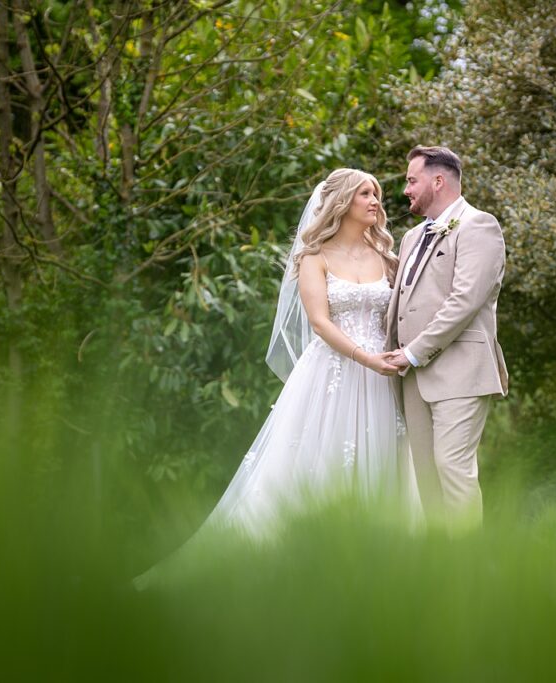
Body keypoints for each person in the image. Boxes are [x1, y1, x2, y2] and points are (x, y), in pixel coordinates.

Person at [133, 169, 420, 589]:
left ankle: (376, 568)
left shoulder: (387, 257)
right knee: (317, 465)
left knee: (381, 460)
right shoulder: (314, 257)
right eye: (365, 193)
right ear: (342, 202)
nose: (376, 201)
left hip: (381, 376)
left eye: (376, 194)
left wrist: (398, 357)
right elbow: (320, 323)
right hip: (335, 373)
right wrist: (366, 358)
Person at [385, 146, 508, 531]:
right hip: (412, 379)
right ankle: (441, 571)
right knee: (426, 478)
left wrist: (414, 352)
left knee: (452, 468)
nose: (406, 189)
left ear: (437, 181)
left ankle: (469, 570)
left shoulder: (479, 226)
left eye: (411, 180)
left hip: (459, 371)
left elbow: (464, 301)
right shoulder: (409, 238)